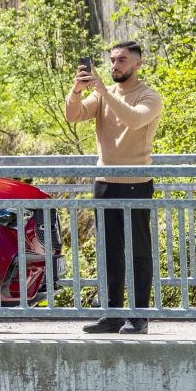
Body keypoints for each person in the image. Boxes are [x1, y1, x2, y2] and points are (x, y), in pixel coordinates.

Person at [64, 41, 163, 334]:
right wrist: (77, 90)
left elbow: (134, 121)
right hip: (105, 182)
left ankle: (139, 317)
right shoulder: (102, 96)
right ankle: (111, 314)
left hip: (136, 183)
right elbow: (74, 115)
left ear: (137, 64)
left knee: (139, 252)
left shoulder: (149, 96)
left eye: (122, 60)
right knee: (109, 251)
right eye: (112, 60)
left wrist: (104, 92)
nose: (115, 65)